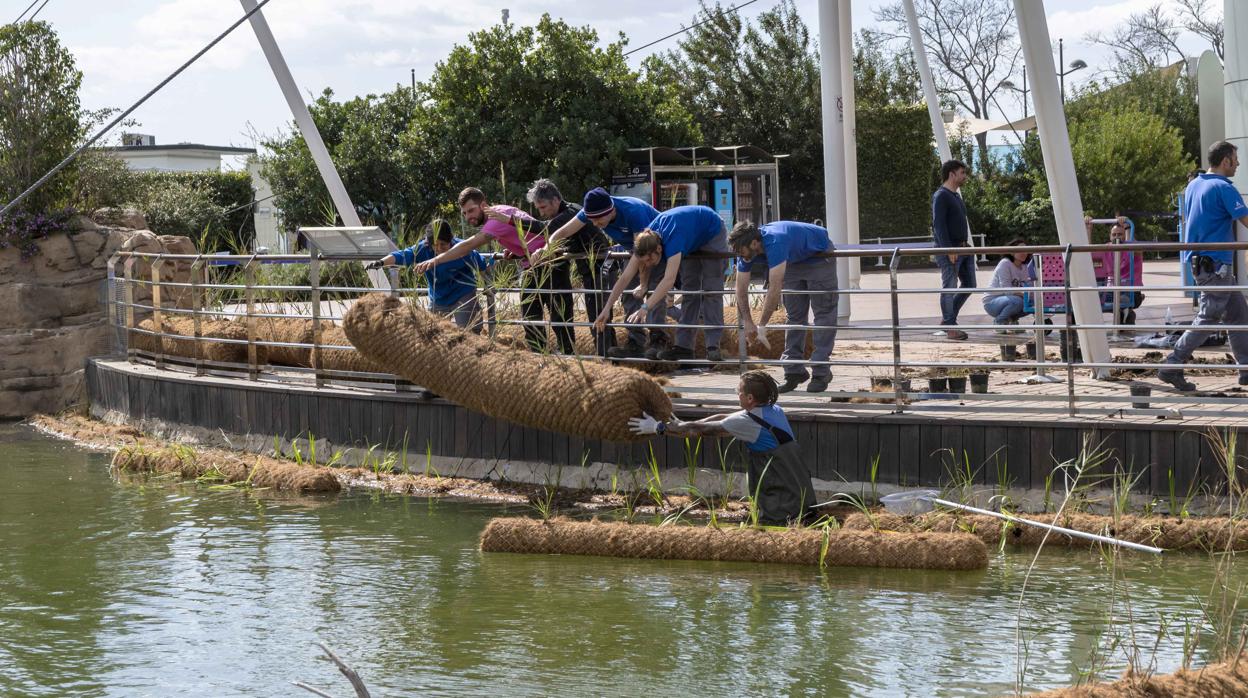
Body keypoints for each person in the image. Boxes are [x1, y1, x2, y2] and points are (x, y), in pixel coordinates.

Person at [628, 370, 817, 525]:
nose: (737, 393)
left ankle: (778, 523)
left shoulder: (746, 422)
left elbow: (697, 431)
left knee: (774, 519)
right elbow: (723, 418)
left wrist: (658, 427)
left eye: (739, 391)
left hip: (782, 496)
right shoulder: (774, 410)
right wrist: (683, 423)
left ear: (750, 398)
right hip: (801, 491)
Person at [415, 187, 573, 354]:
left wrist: (435, 260)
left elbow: (468, 245)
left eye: (471, 210)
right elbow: (525, 230)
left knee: (558, 316)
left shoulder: (496, 220)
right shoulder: (502, 210)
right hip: (532, 265)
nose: (468, 217)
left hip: (550, 263)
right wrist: (517, 250)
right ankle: (542, 359)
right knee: (530, 319)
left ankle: (568, 357)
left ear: (483, 205)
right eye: (464, 213)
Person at [1158, 140, 1248, 391]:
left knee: (1239, 312)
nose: (1238, 164)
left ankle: (1246, 368)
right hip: (1217, 265)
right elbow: (1246, 220)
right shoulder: (1224, 188)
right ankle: (1172, 364)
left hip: (1202, 263)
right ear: (1225, 161)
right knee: (1208, 317)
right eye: (1235, 159)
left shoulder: (1193, 186)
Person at [594, 205, 729, 364]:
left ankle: (713, 347)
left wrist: (645, 308)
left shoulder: (672, 241)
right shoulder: (645, 242)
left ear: (659, 248)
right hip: (690, 237)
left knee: (711, 290)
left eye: (650, 260)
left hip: (711, 230)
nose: (649, 264)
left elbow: (668, 280)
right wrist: (606, 308)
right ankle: (684, 347)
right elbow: (624, 278)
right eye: (645, 262)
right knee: (690, 291)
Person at [547, 187, 669, 359]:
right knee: (629, 294)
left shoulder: (633, 211)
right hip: (633, 251)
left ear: (611, 210)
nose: (595, 224)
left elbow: (644, 254)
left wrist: (643, 284)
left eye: (598, 220)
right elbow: (564, 231)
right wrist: (548, 247)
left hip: (655, 250)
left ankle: (658, 338)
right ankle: (636, 341)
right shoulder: (592, 212)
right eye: (592, 220)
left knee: (654, 290)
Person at [728, 220, 838, 393]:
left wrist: (762, 325)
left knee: (823, 315)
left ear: (754, 243)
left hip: (818, 256)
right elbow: (740, 289)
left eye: (741, 251)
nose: (740, 256)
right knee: (794, 316)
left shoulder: (775, 241)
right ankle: (793, 371)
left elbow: (774, 288)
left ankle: (821, 371)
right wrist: (748, 322)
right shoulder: (746, 250)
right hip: (793, 259)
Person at [521, 179, 613, 356]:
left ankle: (607, 357)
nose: (541, 212)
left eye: (543, 207)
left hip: (600, 266)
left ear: (556, 200)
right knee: (595, 314)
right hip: (588, 269)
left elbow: (545, 229)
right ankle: (605, 355)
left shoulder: (572, 212)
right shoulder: (567, 212)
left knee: (598, 314)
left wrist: (509, 220)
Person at [367, 219, 489, 331]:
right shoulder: (423, 249)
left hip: (463, 295)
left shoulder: (462, 249)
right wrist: (381, 262)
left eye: (443, 244)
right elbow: (402, 255)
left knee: (468, 332)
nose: (439, 248)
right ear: (428, 243)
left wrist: (487, 284)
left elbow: (482, 265)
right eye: (435, 245)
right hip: (439, 297)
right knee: (433, 332)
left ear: (451, 240)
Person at [932, 159, 976, 340]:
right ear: (952, 174)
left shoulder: (955, 196)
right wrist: (949, 249)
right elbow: (939, 226)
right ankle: (950, 325)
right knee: (949, 286)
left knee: (970, 284)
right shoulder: (941, 196)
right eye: (962, 173)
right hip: (950, 249)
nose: (965, 176)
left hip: (963, 248)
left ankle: (948, 320)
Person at [981, 238, 1032, 331]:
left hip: (1010, 299)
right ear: (1012, 252)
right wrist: (1025, 294)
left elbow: (1028, 285)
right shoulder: (1005, 263)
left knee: (1032, 304)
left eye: (1026, 250)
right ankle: (999, 321)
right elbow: (1007, 290)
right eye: (1020, 250)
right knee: (1019, 301)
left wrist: (1032, 296)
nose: (1024, 252)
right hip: (992, 302)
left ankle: (1012, 321)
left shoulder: (1024, 266)